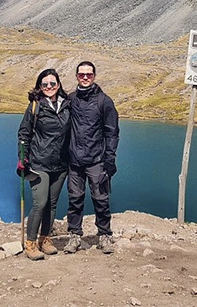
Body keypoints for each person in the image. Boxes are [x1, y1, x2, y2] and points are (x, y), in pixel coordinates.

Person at [64, 61, 119, 254]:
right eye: (81, 74)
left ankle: (104, 235)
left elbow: (112, 133)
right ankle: (74, 236)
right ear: (77, 76)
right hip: (74, 162)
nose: (85, 77)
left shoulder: (104, 101)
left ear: (94, 76)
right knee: (75, 199)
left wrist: (110, 160)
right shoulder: (70, 99)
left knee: (101, 199)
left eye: (89, 74)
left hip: (97, 161)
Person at [17, 68, 71, 260]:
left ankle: (45, 239)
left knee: (52, 204)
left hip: (61, 164)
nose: (49, 87)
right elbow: (24, 134)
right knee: (40, 203)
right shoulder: (35, 106)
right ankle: (30, 244)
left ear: (58, 85)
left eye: (53, 84)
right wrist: (23, 158)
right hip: (39, 163)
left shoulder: (67, 105)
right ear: (40, 86)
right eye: (45, 84)